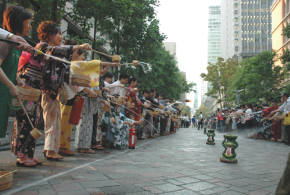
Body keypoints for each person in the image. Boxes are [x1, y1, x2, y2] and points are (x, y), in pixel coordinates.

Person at [0, 6, 31, 140]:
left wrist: (17, 78)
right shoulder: (4, 43)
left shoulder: (16, 45)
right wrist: (11, 86)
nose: (30, 27)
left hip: (4, 96)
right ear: (19, 22)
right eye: (28, 22)